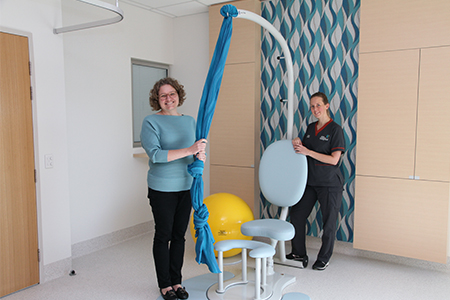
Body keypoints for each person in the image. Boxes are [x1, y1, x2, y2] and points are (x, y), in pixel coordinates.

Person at [141, 77, 207, 300]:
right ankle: (165, 285)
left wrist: (200, 154)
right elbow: (156, 155)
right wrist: (190, 149)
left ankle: (177, 281)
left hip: (186, 185)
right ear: (156, 99)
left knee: (179, 235)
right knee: (164, 235)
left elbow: (196, 150)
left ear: (178, 95)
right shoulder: (151, 121)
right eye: (163, 95)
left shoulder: (189, 121)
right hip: (162, 188)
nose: (168, 98)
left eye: (172, 94)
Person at [286, 91, 345, 271]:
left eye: (318, 105)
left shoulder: (335, 130)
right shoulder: (311, 128)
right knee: (296, 214)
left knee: (328, 222)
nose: (315, 109)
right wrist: (297, 141)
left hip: (329, 184)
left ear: (327, 106)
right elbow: (302, 149)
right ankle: (298, 252)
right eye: (312, 106)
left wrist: (309, 152)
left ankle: (324, 257)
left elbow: (334, 159)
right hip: (310, 182)